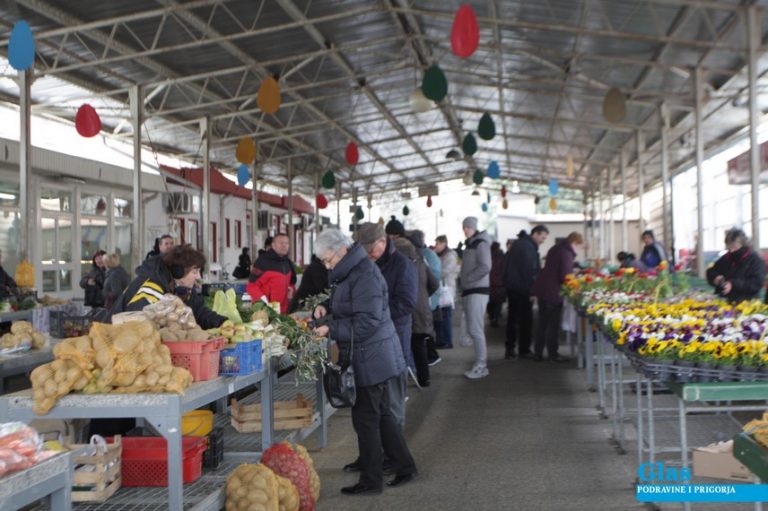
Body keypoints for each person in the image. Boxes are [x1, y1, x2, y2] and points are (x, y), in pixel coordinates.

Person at [311, 228, 417, 495]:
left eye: (327, 259)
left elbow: (367, 322)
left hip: (372, 354)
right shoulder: (353, 270)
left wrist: (330, 329)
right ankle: (404, 465)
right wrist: (327, 305)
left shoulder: (364, 274)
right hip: (371, 353)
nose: (326, 265)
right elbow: (351, 302)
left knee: (366, 418)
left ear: (341, 250)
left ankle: (371, 481)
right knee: (380, 414)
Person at [356, 222, 416, 418]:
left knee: (394, 398)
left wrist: (376, 313)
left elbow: (407, 303)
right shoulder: (369, 263)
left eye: (371, 249)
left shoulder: (402, 264)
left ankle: (396, 440)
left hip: (396, 333)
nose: (368, 254)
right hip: (373, 336)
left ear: (383, 241)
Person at [111, 244, 227, 329]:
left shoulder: (180, 287)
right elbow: (142, 328)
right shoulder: (150, 290)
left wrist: (221, 322)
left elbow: (198, 311)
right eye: (195, 272)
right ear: (178, 272)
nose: (198, 277)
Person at [531, 232, 583, 362]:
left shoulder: (556, 248)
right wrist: (574, 279)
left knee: (542, 323)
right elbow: (565, 276)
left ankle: (538, 353)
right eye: (578, 246)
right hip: (553, 292)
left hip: (543, 289)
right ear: (575, 243)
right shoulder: (566, 253)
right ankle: (552, 354)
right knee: (552, 324)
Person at [396, 238, 438, 388]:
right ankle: (424, 378)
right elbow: (435, 283)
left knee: (405, 346)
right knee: (419, 345)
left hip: (407, 312)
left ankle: (406, 380)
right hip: (422, 310)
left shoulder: (399, 266)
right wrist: (424, 296)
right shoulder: (421, 262)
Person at [503, 225, 548, 360]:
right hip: (522, 289)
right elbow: (529, 271)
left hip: (513, 287)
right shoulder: (528, 247)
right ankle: (523, 350)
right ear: (536, 234)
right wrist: (532, 291)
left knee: (513, 319)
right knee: (525, 320)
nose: (543, 240)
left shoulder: (520, 244)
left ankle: (510, 349)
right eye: (542, 237)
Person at [459, 217, 492, 380]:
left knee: (476, 330)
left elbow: (486, 266)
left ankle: (481, 366)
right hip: (472, 290)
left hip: (477, 290)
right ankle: (480, 365)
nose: (464, 229)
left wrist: (468, 278)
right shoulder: (472, 243)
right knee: (474, 329)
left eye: (467, 227)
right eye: (463, 227)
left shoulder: (480, 244)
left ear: (473, 227)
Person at [406, 230, 442, 366]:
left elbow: (434, 280)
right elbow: (434, 281)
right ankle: (424, 372)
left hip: (421, 302)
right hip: (425, 301)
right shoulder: (424, 256)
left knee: (419, 336)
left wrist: (425, 294)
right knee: (423, 334)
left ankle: (429, 359)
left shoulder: (419, 258)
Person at [706, 228, 767, 303]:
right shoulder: (726, 258)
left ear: (743, 245)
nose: (731, 251)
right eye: (729, 247)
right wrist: (715, 277)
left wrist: (733, 284)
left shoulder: (755, 261)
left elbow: (756, 283)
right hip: (724, 301)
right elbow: (711, 270)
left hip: (746, 304)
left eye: (734, 247)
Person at [246, 233, 297, 314]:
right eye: (281, 243)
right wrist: (263, 301)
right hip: (266, 311)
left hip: (284, 311)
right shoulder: (262, 262)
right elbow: (251, 286)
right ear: (273, 245)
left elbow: (291, 283)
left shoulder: (288, 262)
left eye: (286, 243)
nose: (284, 245)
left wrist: (292, 291)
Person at [434, 235, 460, 349]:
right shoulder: (442, 255)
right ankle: (442, 340)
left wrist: (433, 273)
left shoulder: (449, 256)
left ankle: (448, 341)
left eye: (437, 244)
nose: (436, 246)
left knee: (446, 315)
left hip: (447, 289)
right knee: (442, 315)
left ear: (443, 243)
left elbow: (445, 271)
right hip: (443, 288)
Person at [488, 241, 506, 328]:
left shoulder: (488, 256)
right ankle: (495, 318)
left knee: (490, 302)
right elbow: (504, 270)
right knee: (498, 303)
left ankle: (491, 317)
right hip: (499, 283)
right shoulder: (502, 257)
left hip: (489, 283)